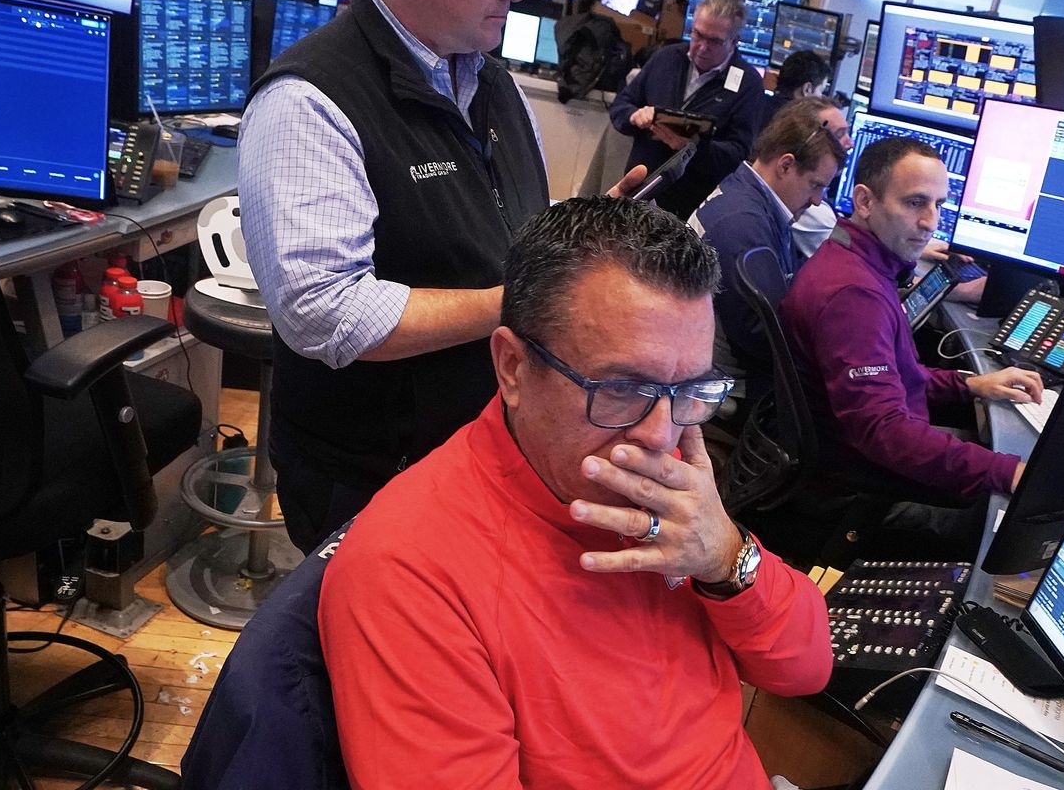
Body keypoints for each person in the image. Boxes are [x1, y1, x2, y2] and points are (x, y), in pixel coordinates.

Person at [319, 197, 832, 787]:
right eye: (622, 388)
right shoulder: (408, 570)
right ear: (512, 367)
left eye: (690, 390)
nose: (661, 435)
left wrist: (725, 559)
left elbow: (806, 668)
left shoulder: (672, 493)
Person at [237, 0, 638, 553]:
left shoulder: (492, 84)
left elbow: (501, 230)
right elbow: (327, 314)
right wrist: (522, 301)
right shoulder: (310, 99)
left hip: (476, 459)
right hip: (373, 483)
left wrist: (576, 244)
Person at [780, 137, 1043, 506]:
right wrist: (1009, 472)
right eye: (915, 202)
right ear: (865, 201)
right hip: (863, 488)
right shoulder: (854, 296)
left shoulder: (853, 259)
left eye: (939, 205)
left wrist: (969, 384)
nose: (930, 222)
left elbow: (894, 376)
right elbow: (884, 432)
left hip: (858, 459)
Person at [689, 97, 848, 404]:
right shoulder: (743, 226)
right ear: (786, 165)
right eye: (815, 185)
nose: (817, 200)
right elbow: (769, 339)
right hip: (733, 385)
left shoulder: (745, 193)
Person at [608, 0, 764, 219]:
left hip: (692, 207)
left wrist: (691, 148)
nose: (702, 47)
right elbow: (621, 105)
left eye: (714, 41)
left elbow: (738, 155)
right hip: (639, 191)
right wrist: (635, 116)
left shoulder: (748, 83)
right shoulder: (667, 58)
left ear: (734, 41)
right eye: (698, 35)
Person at [762, 49, 831, 122]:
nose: (821, 97)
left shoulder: (759, 103)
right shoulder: (797, 125)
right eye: (821, 91)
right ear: (807, 89)